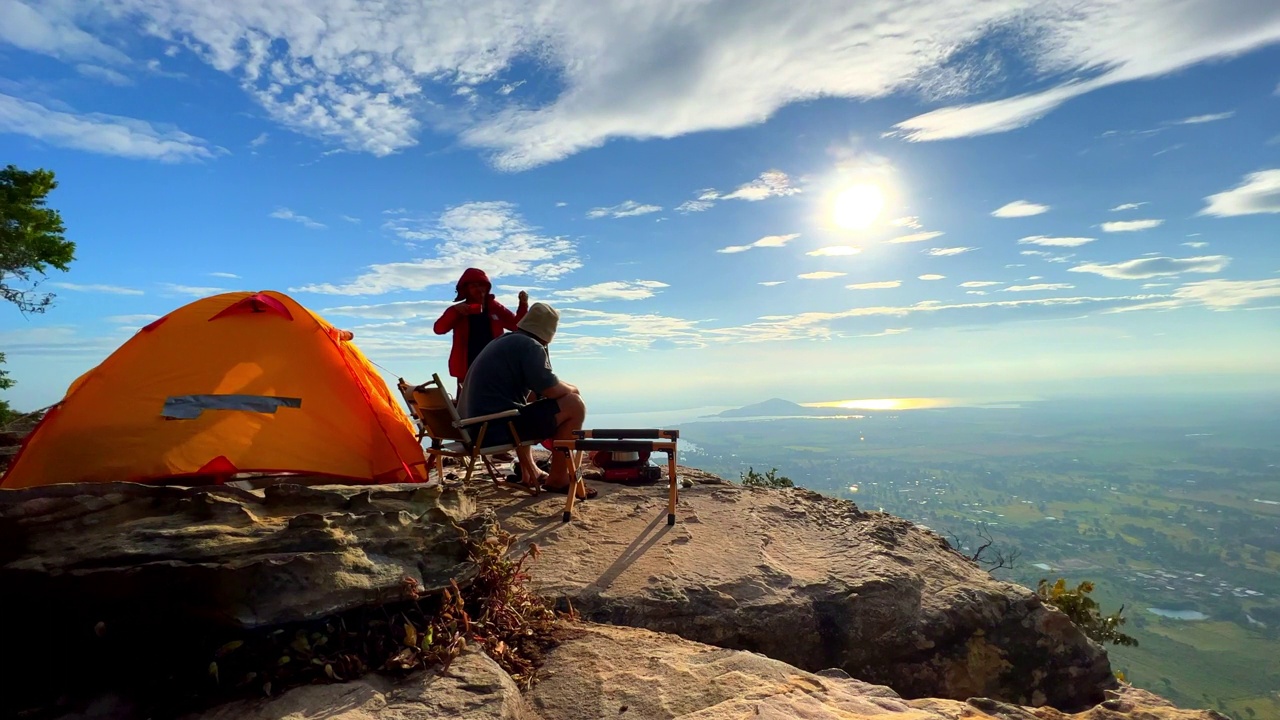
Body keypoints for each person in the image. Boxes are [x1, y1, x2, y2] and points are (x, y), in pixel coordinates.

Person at [457, 302, 592, 497]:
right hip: (492, 430)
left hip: (474, 428)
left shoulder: (504, 341)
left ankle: (531, 472)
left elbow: (528, 395)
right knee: (574, 404)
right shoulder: (530, 345)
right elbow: (550, 388)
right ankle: (559, 479)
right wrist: (574, 389)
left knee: (525, 407)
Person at [434, 268, 529, 396]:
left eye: (482, 285)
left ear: (487, 287)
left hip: (495, 364)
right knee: (466, 402)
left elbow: (516, 326)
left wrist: (523, 305)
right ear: (466, 289)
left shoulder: (495, 307)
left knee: (497, 399)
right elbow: (439, 329)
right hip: (467, 367)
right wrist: (454, 312)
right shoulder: (459, 310)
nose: (479, 289)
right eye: (473, 286)